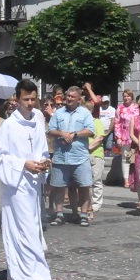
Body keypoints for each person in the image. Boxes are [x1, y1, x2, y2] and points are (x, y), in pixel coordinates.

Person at [0, 79, 51, 280]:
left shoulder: (37, 121)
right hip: (16, 184)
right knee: (23, 229)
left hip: (33, 184)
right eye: (26, 99)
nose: (30, 103)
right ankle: (29, 277)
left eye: (33, 99)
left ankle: (19, 275)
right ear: (16, 99)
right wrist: (23, 164)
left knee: (32, 228)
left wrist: (44, 163)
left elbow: (42, 149)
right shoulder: (9, 125)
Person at [46, 86, 95, 226]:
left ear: (79, 99)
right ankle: (59, 214)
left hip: (80, 157)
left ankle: (84, 214)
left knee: (84, 186)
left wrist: (74, 134)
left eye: (72, 97)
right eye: (68, 96)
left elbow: (91, 131)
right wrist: (62, 134)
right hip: (61, 157)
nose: (69, 98)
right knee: (59, 186)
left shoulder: (85, 113)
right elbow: (50, 130)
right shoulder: (58, 113)